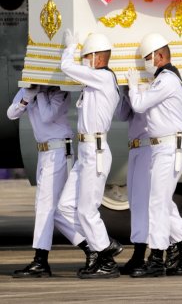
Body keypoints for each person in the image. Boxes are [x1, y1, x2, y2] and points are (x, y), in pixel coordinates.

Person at [126, 32, 182, 277]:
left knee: (158, 203)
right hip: (163, 147)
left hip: (170, 148)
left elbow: (138, 105)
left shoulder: (166, 79)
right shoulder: (167, 79)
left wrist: (132, 87)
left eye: (148, 58)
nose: (145, 63)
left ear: (160, 56)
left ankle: (157, 259)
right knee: (162, 201)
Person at [56, 30, 122, 278]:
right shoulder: (95, 80)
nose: (84, 61)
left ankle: (106, 258)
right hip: (85, 151)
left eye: (86, 56)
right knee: (63, 209)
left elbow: (66, 66)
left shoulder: (103, 78)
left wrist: (70, 48)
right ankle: (98, 246)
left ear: (96, 58)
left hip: (95, 151)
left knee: (86, 210)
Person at [7, 85, 80, 277]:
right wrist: (25, 98)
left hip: (58, 151)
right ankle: (96, 247)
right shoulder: (29, 91)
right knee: (48, 208)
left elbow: (48, 116)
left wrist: (37, 95)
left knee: (47, 207)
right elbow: (11, 113)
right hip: (43, 152)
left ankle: (40, 260)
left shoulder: (58, 91)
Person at [113, 83, 151, 275]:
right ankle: (138, 254)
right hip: (135, 147)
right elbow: (121, 115)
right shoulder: (133, 90)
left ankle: (143, 253)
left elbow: (140, 106)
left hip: (148, 147)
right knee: (135, 203)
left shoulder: (153, 87)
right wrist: (125, 92)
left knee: (146, 203)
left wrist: (135, 89)